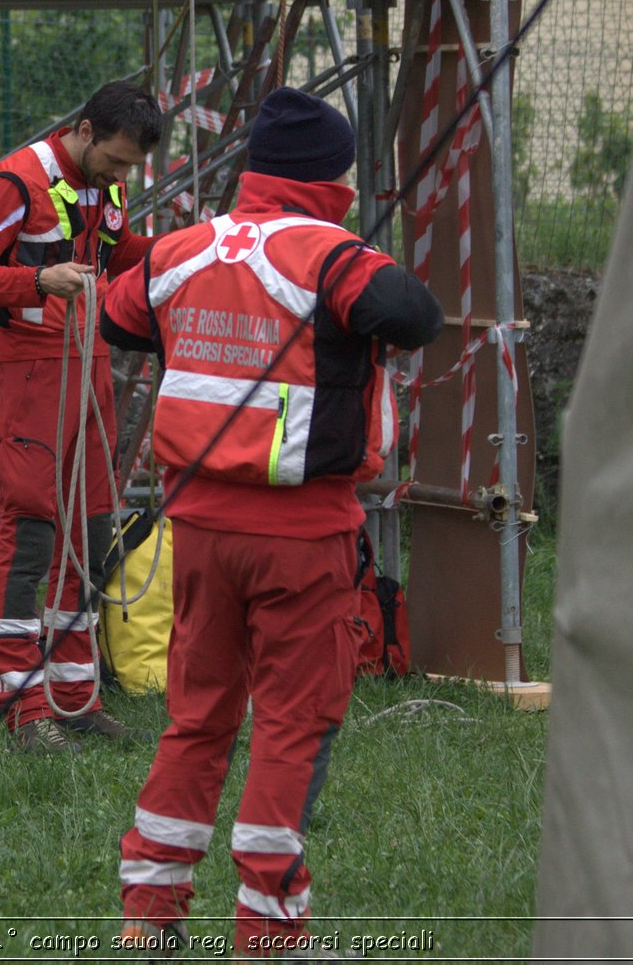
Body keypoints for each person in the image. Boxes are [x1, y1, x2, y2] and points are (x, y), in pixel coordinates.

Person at [102, 88, 443, 958]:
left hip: (200, 535)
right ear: (331, 177)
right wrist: (347, 259)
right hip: (302, 534)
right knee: (291, 726)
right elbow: (415, 317)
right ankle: (271, 933)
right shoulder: (330, 253)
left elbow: (119, 316)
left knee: (198, 718)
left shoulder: (185, 249)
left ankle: (150, 919)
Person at [0, 80, 164, 752]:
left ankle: (74, 698)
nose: (122, 176)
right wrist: (37, 281)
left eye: (130, 168)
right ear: (87, 131)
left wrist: (179, 255)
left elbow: (117, 253)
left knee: (92, 532)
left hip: (89, 364)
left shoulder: (108, 185)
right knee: (34, 530)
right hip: (32, 368)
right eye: (118, 161)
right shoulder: (17, 180)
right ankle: (22, 708)